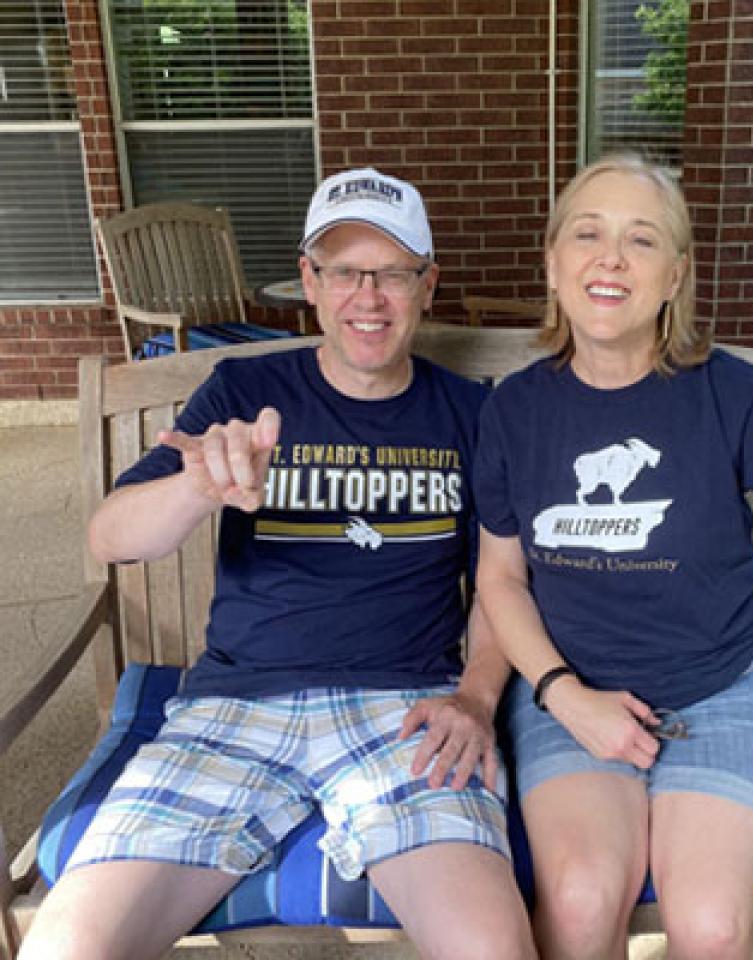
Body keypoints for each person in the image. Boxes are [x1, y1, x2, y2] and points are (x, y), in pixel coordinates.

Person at [21, 167, 537, 960]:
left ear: (427, 285)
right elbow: (111, 539)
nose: (368, 297)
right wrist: (196, 488)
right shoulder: (243, 388)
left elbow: (502, 582)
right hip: (235, 708)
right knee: (65, 948)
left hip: (406, 713)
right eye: (342, 272)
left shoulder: (470, 415)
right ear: (309, 281)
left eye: (393, 273)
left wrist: (475, 697)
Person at [474, 153, 753, 960]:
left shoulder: (732, 395)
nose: (611, 257)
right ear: (553, 262)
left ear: (675, 275)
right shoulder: (515, 411)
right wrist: (563, 693)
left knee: (712, 930)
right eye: (588, 233)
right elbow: (500, 580)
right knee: (577, 907)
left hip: (722, 693)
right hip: (571, 695)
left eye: (641, 240)